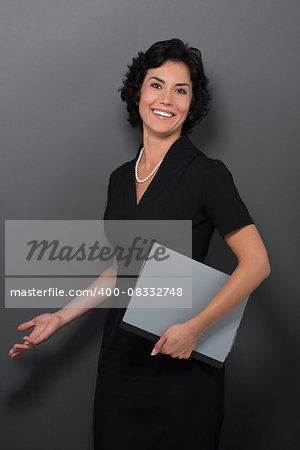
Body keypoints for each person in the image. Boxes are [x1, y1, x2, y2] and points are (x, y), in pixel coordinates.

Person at [9, 39, 271, 449]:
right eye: (156, 85)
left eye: (180, 89)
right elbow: (120, 270)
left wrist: (195, 329)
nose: (166, 99)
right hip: (120, 364)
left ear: (192, 102)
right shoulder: (118, 178)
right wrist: (60, 318)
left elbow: (257, 264)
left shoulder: (208, 174)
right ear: (138, 93)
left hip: (182, 365)